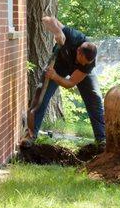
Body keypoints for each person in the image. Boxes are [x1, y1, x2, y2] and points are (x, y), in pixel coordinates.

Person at [22, 17, 106, 145]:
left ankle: (101, 140)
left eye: (86, 63)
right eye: (82, 60)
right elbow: (46, 19)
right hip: (59, 64)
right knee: (41, 98)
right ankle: (31, 136)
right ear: (78, 51)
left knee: (94, 98)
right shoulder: (73, 37)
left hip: (74, 73)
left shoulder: (88, 64)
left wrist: (55, 77)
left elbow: (70, 83)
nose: (83, 64)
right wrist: (57, 32)